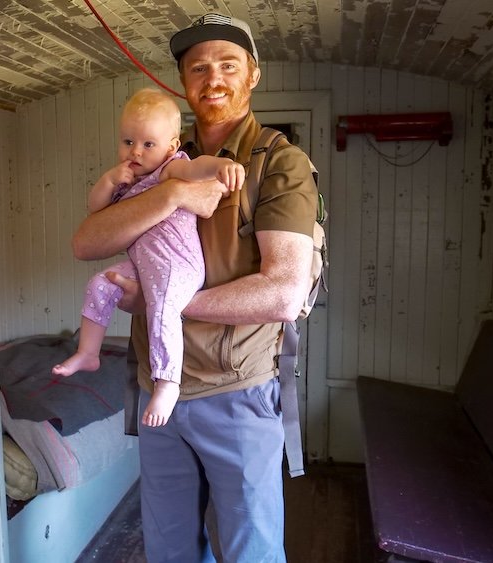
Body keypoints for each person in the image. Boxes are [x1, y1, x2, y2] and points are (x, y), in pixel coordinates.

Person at [72, 12, 318, 562]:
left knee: (250, 551)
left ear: (253, 74)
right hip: (159, 388)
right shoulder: (158, 159)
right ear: (182, 81)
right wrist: (171, 195)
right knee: (169, 550)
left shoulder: (279, 164)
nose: (213, 79)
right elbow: (86, 242)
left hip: (236, 393)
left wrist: (164, 303)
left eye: (228, 65)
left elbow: (283, 292)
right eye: (198, 68)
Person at [53, 88, 244, 428]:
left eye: (148, 144)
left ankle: (168, 381)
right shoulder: (127, 179)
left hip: (177, 264)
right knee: (100, 285)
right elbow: (95, 208)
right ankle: (88, 352)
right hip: (144, 265)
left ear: (171, 147)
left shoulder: (170, 169)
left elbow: (199, 167)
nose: (136, 152)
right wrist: (109, 180)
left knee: (162, 307)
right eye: (128, 142)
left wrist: (222, 165)